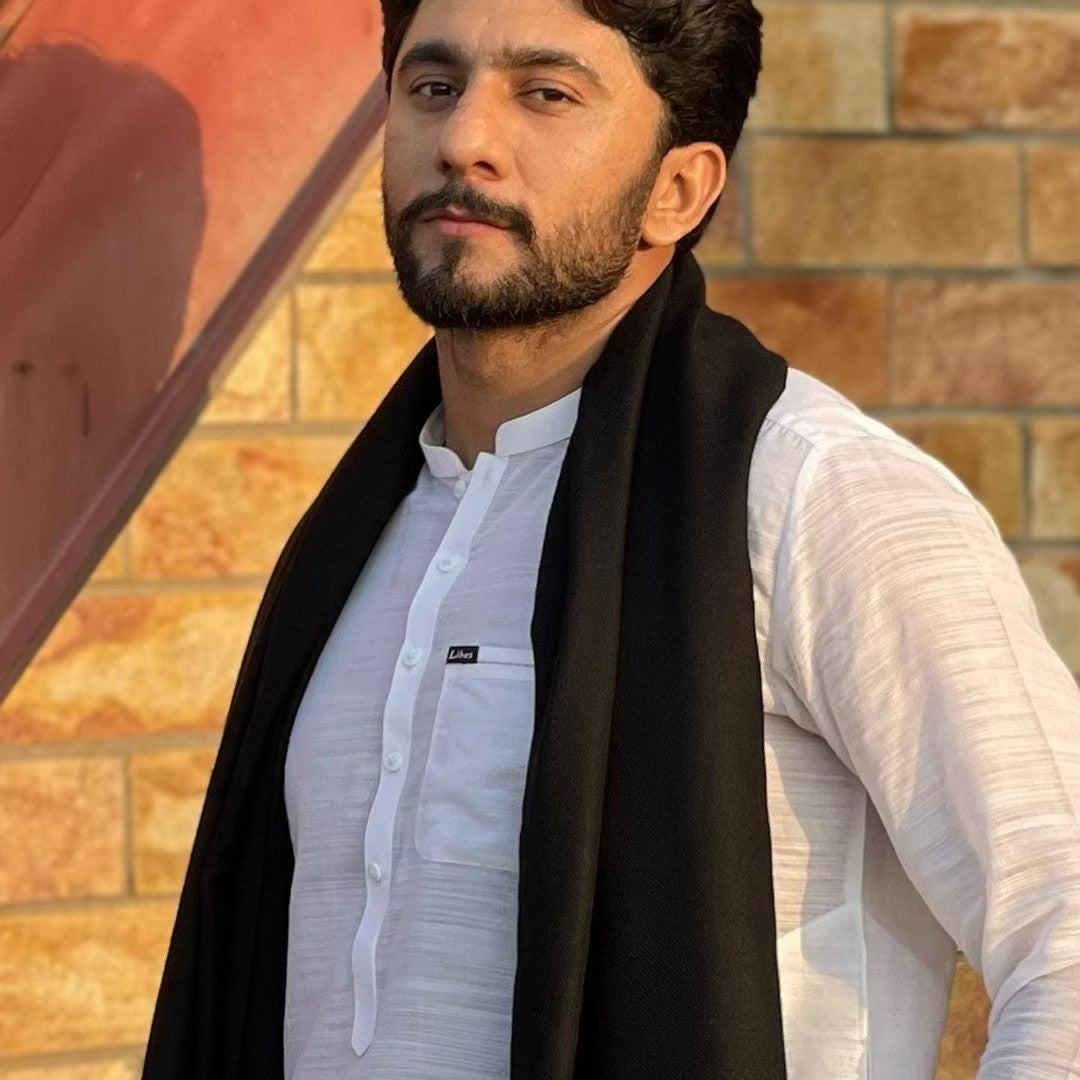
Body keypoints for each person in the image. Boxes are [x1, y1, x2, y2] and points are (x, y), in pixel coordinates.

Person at [142, 0, 1080, 1077]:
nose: (464, 139)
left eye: (545, 94)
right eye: (432, 88)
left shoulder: (813, 495)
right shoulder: (362, 536)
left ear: (679, 188)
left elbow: (1065, 923)